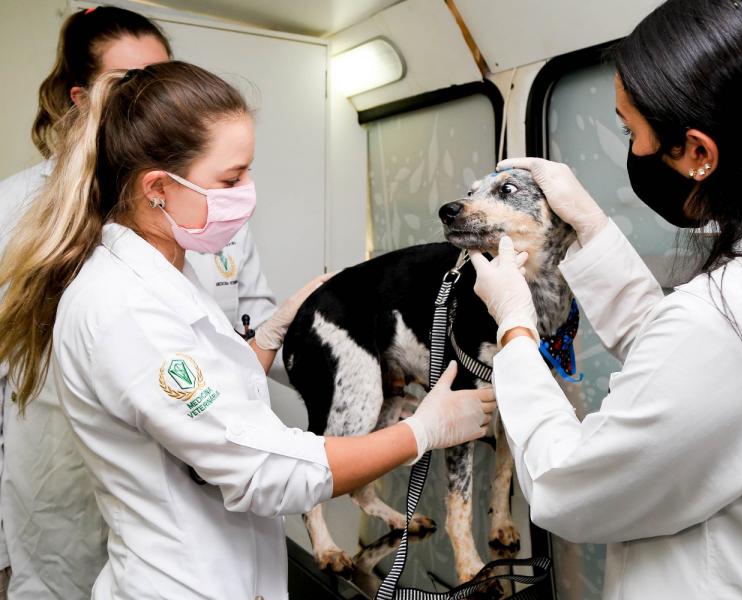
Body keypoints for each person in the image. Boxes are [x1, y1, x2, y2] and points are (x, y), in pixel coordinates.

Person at [0, 60, 495, 599]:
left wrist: (263, 340)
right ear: (158, 188)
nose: (247, 191)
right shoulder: (122, 308)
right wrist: (419, 432)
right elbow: (261, 470)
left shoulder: (168, 273)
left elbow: (207, 403)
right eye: (231, 179)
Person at [470, 0, 742, 598]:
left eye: (632, 130)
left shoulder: (736, 315)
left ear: (699, 152)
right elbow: (692, 383)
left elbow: (568, 486)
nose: (632, 148)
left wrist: (515, 329)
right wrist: (590, 229)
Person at [0, 7, 279, 597]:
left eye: (163, 75)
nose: (153, 97)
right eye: (129, 83)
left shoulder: (205, 200)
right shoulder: (17, 208)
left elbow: (249, 315)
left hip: (191, 476)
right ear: (80, 99)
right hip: (62, 468)